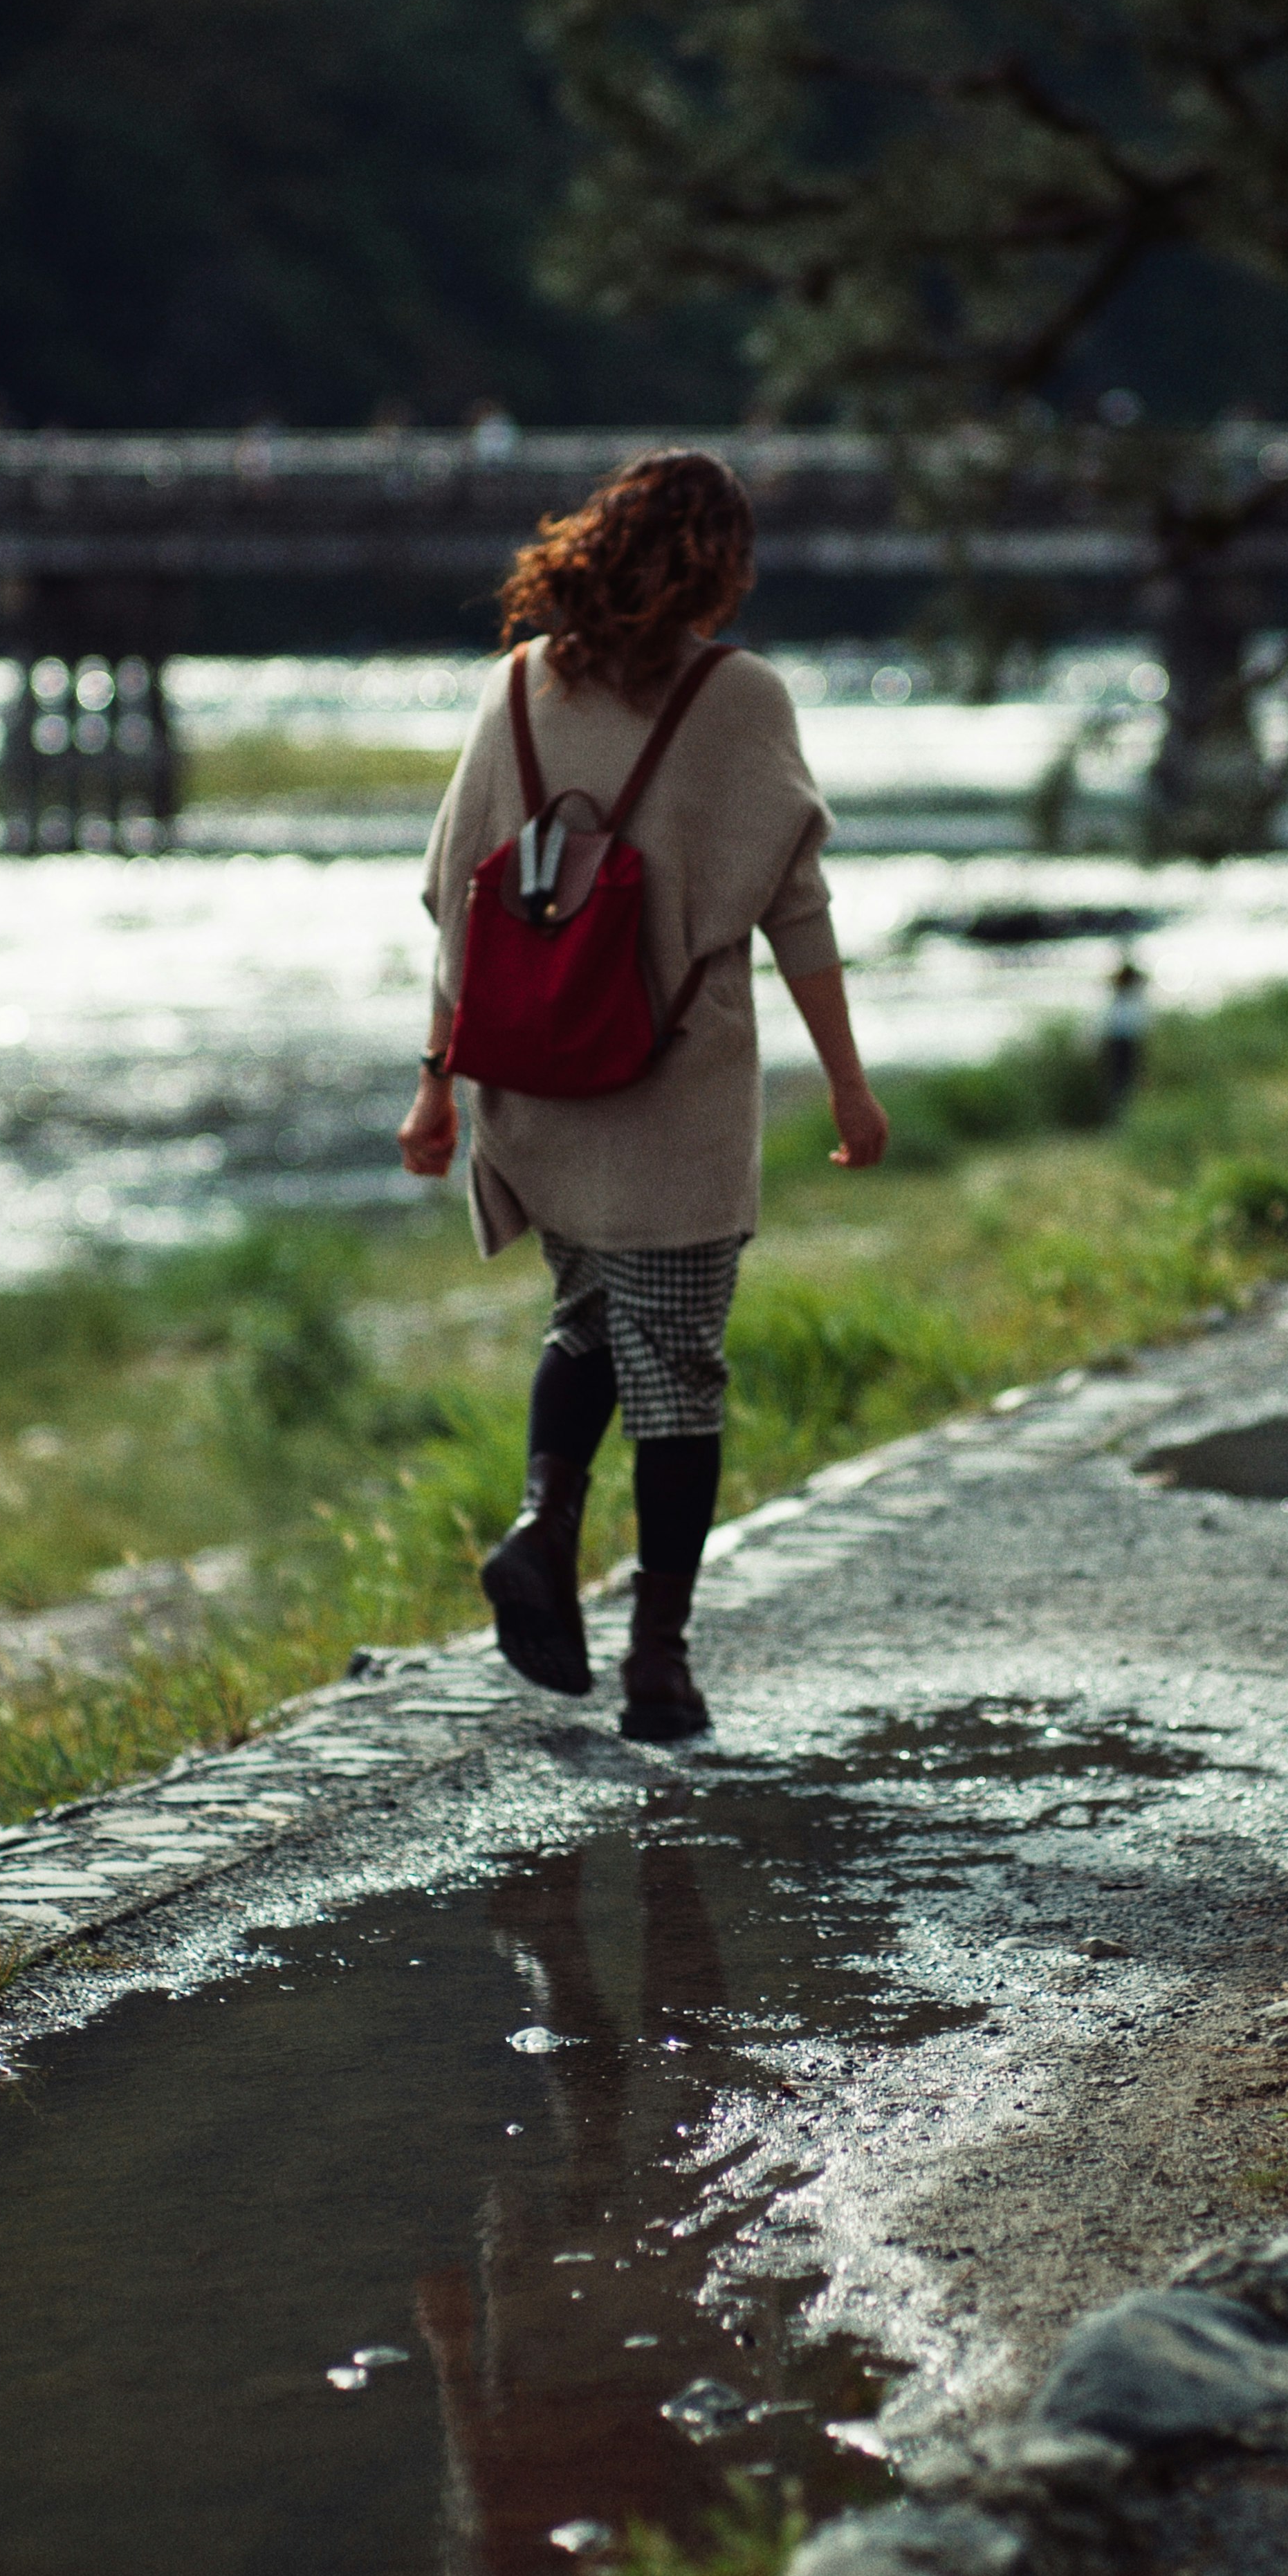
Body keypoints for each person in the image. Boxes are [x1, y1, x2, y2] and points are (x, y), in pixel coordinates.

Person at [398, 448, 888, 1741]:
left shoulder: (513, 689)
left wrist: (433, 1086)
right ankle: (657, 1664)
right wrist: (848, 1083)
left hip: (536, 1080)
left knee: (590, 1315)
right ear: (720, 566)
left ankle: (542, 1526)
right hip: (671, 1088)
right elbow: (797, 905)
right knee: (679, 1371)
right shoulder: (741, 697)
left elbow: (456, 899)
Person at [1100, 948, 1152, 1116]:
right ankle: (1122, 1116)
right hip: (1122, 1042)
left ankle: (1125, 1116)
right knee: (1122, 1081)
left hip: (1124, 1042)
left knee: (1123, 1081)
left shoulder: (1125, 999)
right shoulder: (1128, 999)